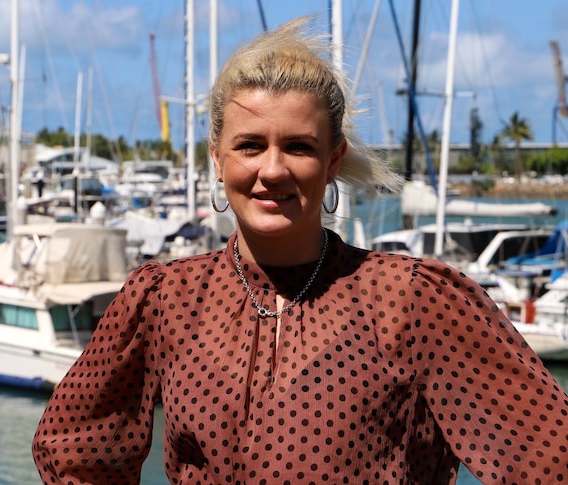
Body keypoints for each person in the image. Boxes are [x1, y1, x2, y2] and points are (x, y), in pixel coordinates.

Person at [32, 16, 568, 484]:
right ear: (217, 159)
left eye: (298, 147)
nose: (272, 169)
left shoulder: (413, 301)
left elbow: (548, 457)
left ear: (333, 161)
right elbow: (76, 449)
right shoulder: (164, 301)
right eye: (249, 145)